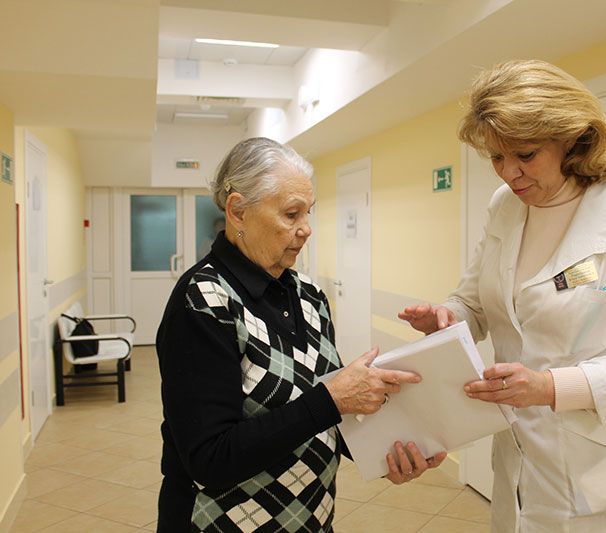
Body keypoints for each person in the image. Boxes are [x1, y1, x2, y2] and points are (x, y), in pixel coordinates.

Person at [399, 60, 606, 532]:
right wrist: (447, 316)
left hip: (599, 470)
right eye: (497, 157)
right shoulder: (506, 206)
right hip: (517, 457)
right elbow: (475, 304)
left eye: (525, 154)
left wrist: (550, 387)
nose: (509, 173)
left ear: (572, 140)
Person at [156, 137, 446, 532]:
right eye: (291, 214)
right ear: (238, 211)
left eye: (308, 213)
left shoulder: (309, 295)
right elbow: (210, 459)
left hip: (309, 519)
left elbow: (328, 419)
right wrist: (330, 398)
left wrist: (387, 454)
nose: (306, 229)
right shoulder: (202, 300)